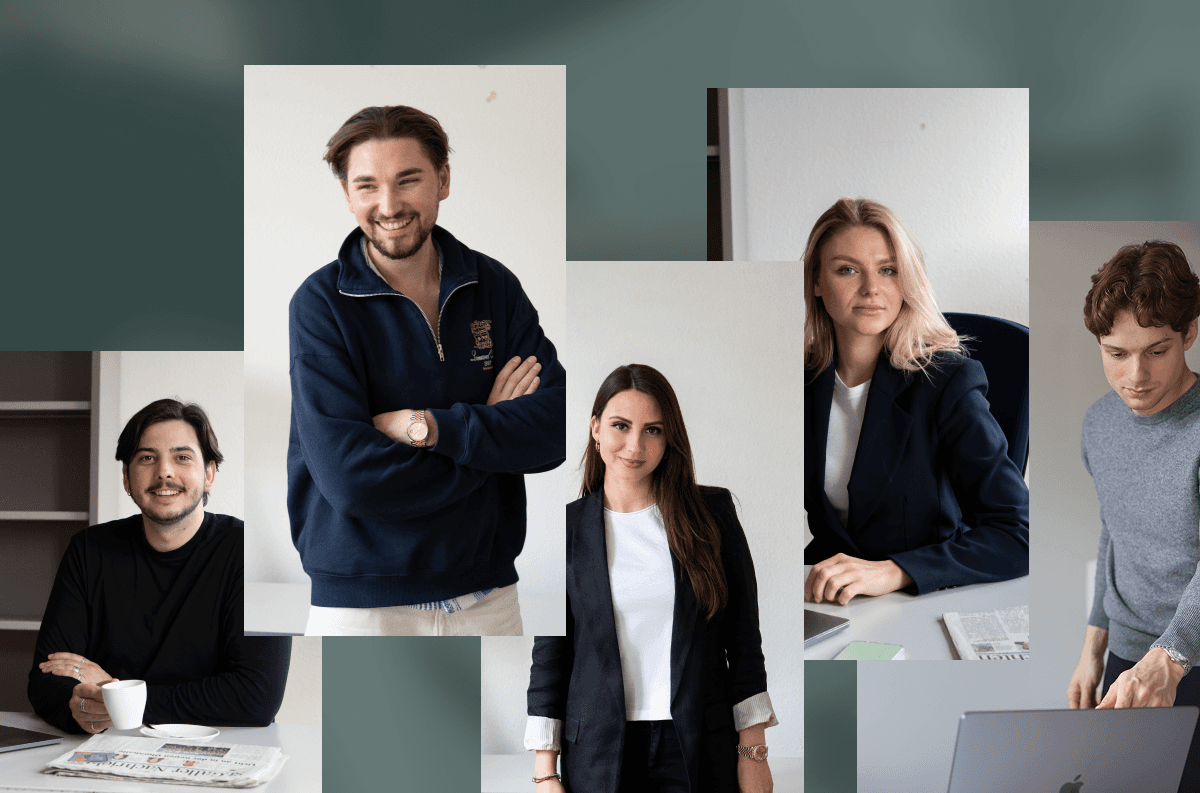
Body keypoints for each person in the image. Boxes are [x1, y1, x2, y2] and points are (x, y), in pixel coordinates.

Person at [288, 105, 566, 636]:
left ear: (442, 180)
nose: (389, 206)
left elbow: (554, 429)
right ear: (347, 194)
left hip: (488, 598)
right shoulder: (320, 305)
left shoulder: (495, 287)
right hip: (363, 605)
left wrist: (428, 427)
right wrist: (491, 431)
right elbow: (351, 480)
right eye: (367, 185)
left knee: (495, 726)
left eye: (408, 180)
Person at [526, 365, 776, 793]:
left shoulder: (712, 515)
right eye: (620, 426)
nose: (635, 446)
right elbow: (550, 658)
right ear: (595, 429)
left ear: (669, 438)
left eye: (653, 430)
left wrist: (753, 752)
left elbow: (744, 642)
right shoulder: (561, 530)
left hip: (699, 744)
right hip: (599, 754)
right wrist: (545, 772)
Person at [802, 197, 1029, 603]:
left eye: (888, 270)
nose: (872, 288)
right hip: (831, 599)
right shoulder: (800, 382)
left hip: (922, 598)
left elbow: (1018, 532)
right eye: (847, 269)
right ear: (817, 282)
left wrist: (896, 572)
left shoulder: (947, 383)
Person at [28, 399, 289, 734]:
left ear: (209, 474)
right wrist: (82, 707)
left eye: (182, 457)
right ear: (126, 477)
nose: (164, 471)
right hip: (108, 749)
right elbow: (45, 679)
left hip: (221, 752)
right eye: (147, 457)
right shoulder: (87, 550)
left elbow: (259, 698)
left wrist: (118, 693)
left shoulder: (262, 554)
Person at [1066, 241, 1200, 790]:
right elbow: (1113, 533)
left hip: (1185, 656)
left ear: (1189, 333)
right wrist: (1092, 649)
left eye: (1156, 350)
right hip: (1128, 657)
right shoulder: (1099, 424)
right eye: (1116, 354)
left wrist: (1169, 658)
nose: (1136, 376)